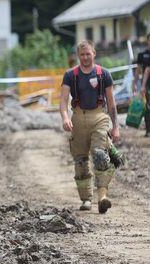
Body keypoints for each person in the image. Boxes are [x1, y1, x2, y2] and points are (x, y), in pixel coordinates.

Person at [59, 40, 119, 213]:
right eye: (82, 54)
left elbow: (112, 104)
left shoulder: (104, 74)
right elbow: (62, 101)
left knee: (100, 155)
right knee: (81, 161)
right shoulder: (70, 75)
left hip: (99, 116)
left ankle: (102, 197)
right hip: (77, 118)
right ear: (78, 56)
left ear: (94, 53)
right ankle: (86, 199)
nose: (85, 57)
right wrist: (64, 117)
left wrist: (115, 127)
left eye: (88, 53)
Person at [132, 33, 150, 137]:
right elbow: (138, 70)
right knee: (147, 106)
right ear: (147, 40)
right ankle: (148, 130)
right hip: (146, 83)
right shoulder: (142, 55)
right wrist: (134, 83)